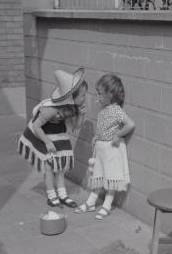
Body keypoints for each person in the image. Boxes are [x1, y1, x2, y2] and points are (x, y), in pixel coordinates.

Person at [18, 68, 87, 208]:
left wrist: (81, 115)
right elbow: (36, 126)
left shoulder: (71, 108)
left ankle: (62, 195)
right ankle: (51, 196)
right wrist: (47, 142)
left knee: (60, 167)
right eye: (83, 95)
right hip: (44, 138)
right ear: (71, 97)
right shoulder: (51, 109)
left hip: (60, 138)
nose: (85, 98)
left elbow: (76, 126)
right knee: (49, 168)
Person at [75, 74, 135, 220]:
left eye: (100, 94)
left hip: (111, 150)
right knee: (99, 176)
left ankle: (107, 205)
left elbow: (130, 124)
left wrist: (118, 135)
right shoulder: (103, 110)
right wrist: (97, 137)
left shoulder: (116, 110)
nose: (98, 97)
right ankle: (91, 202)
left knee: (111, 178)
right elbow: (103, 128)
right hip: (101, 149)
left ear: (111, 95)